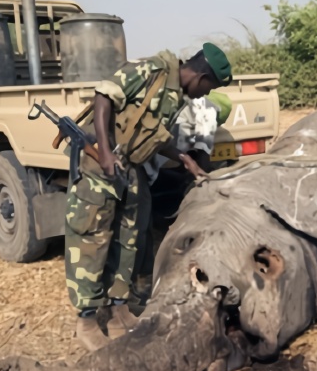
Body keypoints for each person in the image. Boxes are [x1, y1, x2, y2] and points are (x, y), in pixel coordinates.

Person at [65, 43, 232, 351]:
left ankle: (119, 310)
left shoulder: (174, 95)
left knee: (129, 238)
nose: (205, 95)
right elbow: (104, 97)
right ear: (201, 76)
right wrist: (103, 151)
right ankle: (87, 320)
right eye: (209, 87)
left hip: (129, 168)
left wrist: (185, 159)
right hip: (101, 166)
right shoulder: (151, 71)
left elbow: (153, 135)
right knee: (93, 239)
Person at [131, 92, 233, 298]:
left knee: (139, 223)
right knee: (139, 225)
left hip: (143, 162)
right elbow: (203, 156)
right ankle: (140, 282)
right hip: (141, 167)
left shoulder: (190, 104)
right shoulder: (208, 110)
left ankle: (137, 277)